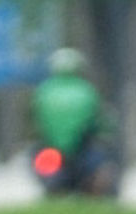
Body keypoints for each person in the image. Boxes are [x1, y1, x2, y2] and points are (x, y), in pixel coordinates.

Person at [31, 47, 111, 191]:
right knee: (102, 162)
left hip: (52, 149)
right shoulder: (87, 90)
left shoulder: (44, 91)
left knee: (35, 158)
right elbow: (97, 121)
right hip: (83, 149)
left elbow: (39, 122)